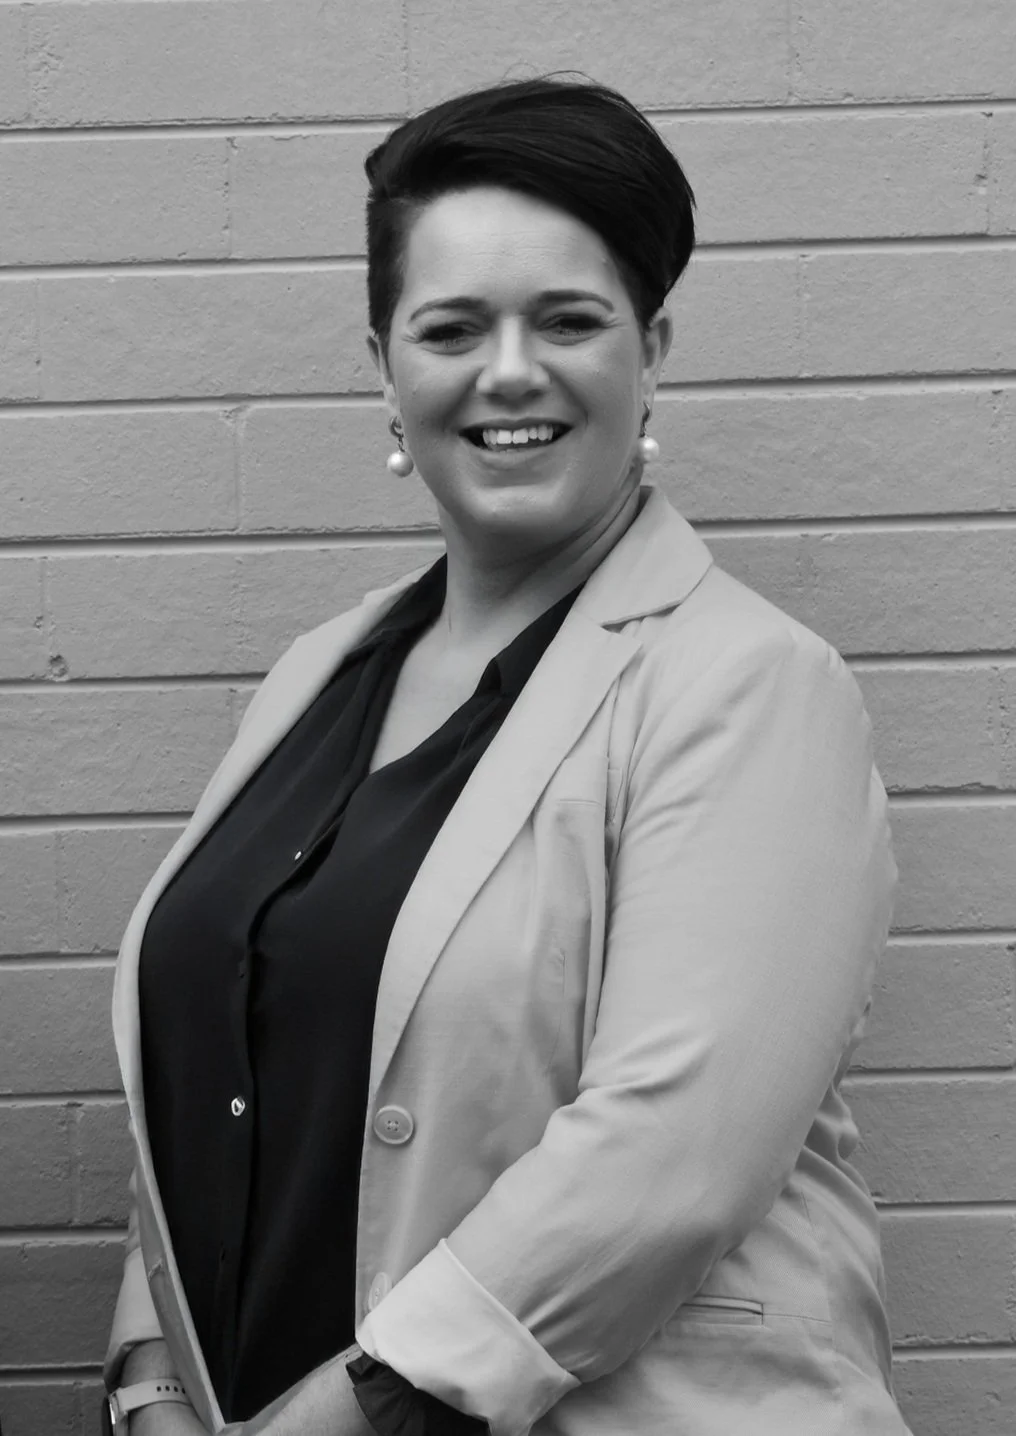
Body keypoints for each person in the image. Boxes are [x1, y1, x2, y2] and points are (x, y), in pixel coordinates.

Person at [102, 76, 911, 1436]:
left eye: (570, 320)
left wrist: (346, 1418)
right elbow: (209, 1073)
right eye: (453, 327)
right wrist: (147, 1377)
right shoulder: (315, 677)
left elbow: (668, 1158)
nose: (512, 370)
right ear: (386, 369)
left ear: (652, 351)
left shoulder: (750, 686)